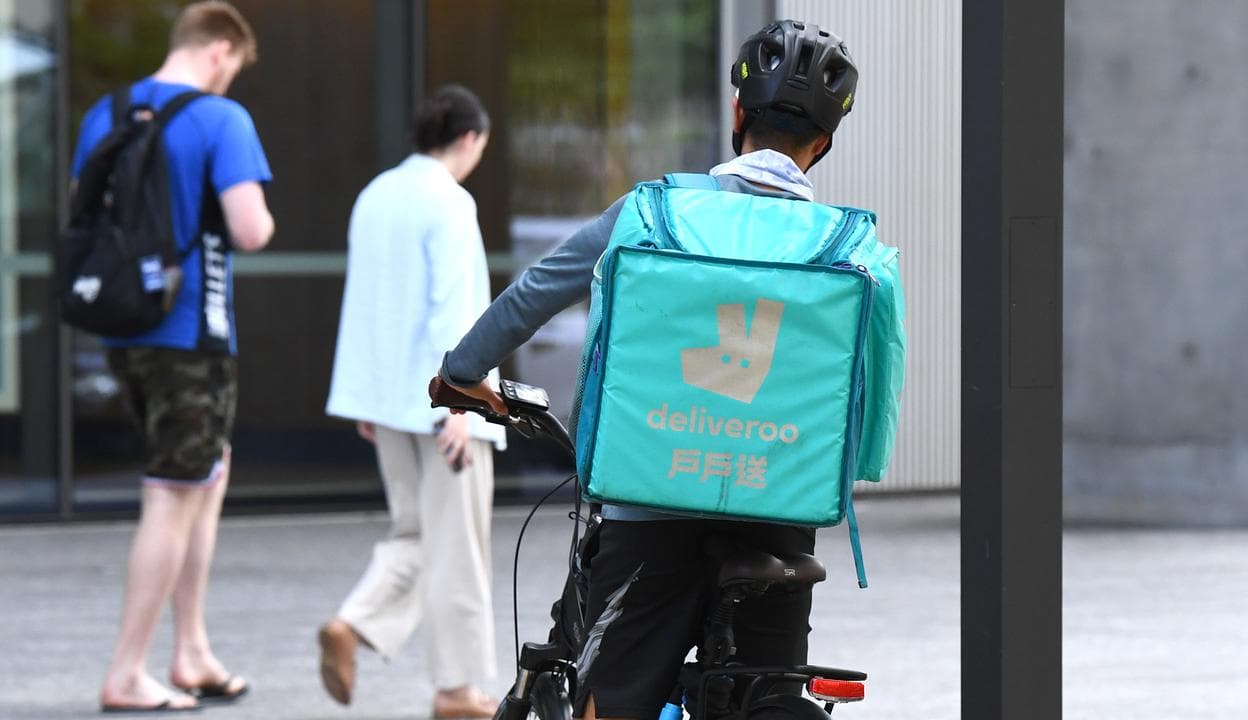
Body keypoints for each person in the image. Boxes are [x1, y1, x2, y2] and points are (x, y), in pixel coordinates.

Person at [437, 20, 859, 720]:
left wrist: (462, 370)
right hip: (780, 508)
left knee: (612, 701)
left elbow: (540, 289)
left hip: (651, 508)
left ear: (736, 115)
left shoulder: (653, 211)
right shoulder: (844, 247)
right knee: (771, 691)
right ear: (822, 143)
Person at [70, 1, 274, 713]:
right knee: (173, 492)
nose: (231, 84)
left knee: (202, 480)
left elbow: (84, 211)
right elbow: (250, 229)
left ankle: (191, 650)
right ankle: (127, 671)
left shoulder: (108, 111)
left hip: (123, 328)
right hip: (193, 337)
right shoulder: (222, 121)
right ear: (221, 49)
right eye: (236, 70)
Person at [318, 84, 505, 718]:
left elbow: (365, 302)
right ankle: (455, 690)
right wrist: (463, 403)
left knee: (417, 534)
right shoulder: (449, 202)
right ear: (470, 139)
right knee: (458, 548)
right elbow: (455, 306)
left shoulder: (376, 195)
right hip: (444, 400)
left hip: (388, 400)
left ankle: (355, 622)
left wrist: (364, 396)